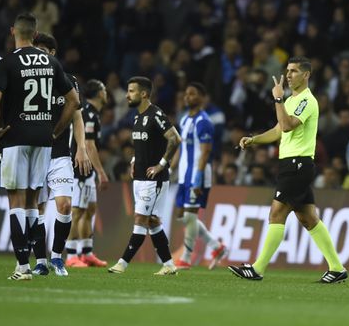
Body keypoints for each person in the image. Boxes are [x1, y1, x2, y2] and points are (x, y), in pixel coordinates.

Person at [230, 57, 348, 283]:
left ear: (306, 75)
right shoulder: (292, 101)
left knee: (276, 213)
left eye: (294, 71)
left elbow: (286, 125)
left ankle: (257, 268)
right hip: (291, 164)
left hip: (298, 164)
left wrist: (277, 98)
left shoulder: (307, 101)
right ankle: (337, 268)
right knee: (308, 218)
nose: (289, 75)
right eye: (287, 71)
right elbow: (277, 131)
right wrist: (253, 140)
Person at [0, 13, 77, 281]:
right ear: (36, 35)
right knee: (32, 202)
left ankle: (23, 267)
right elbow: (73, 101)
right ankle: (36, 261)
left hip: (14, 137)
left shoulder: (7, 61)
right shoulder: (51, 62)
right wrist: (56, 131)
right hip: (42, 139)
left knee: (16, 201)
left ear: (13, 31)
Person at [30, 34, 91, 277]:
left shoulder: (68, 80)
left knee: (65, 206)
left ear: (53, 53)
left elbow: (77, 115)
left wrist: (82, 148)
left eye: (43, 50)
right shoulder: (28, 79)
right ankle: (40, 261)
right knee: (37, 209)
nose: (38, 54)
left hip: (60, 155)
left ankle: (57, 257)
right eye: (36, 50)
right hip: (34, 152)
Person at [107, 77, 181, 276]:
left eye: (131, 91)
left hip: (153, 180)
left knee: (141, 218)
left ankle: (122, 264)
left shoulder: (156, 114)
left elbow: (175, 139)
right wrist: (133, 161)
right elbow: (143, 144)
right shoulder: (137, 117)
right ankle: (169, 265)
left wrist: (162, 164)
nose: (127, 95)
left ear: (144, 94)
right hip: (139, 178)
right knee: (153, 221)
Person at [171, 82, 228, 271]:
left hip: (198, 174)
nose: (188, 97)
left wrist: (198, 177)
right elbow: (181, 147)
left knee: (189, 216)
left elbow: (205, 153)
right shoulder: (185, 119)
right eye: (186, 94)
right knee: (182, 216)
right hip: (183, 175)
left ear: (202, 98)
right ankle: (217, 247)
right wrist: (171, 167)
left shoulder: (204, 122)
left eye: (192, 94)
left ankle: (186, 258)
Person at [65, 79, 110, 268]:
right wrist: (101, 172)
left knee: (89, 209)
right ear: (99, 93)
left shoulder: (92, 113)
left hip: (87, 171)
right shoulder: (89, 114)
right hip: (79, 169)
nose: (106, 93)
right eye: (104, 89)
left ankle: (86, 252)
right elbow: (89, 146)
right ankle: (71, 256)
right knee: (77, 212)